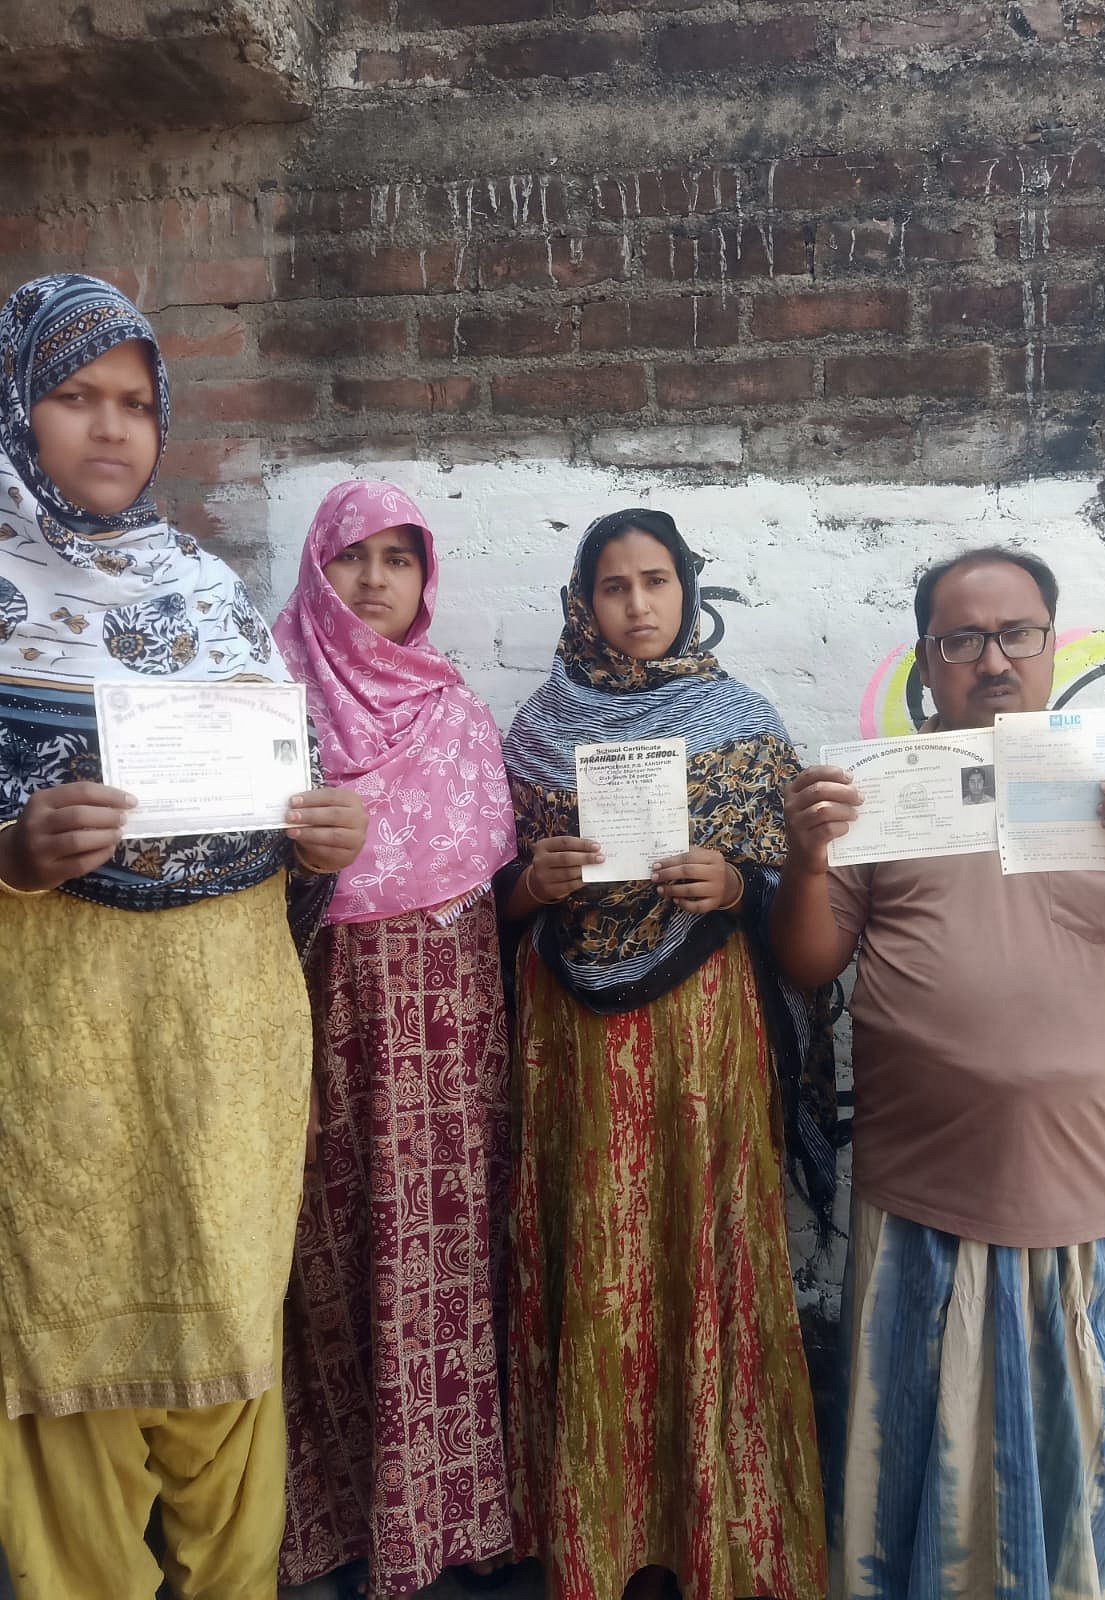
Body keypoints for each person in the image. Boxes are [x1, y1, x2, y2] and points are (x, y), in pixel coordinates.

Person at [0, 273, 367, 1600]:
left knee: (223, 1323)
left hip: (224, 1041)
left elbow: (282, 813)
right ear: (17, 408)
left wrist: (323, 841)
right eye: (73, 395)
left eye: (136, 403)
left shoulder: (211, 595)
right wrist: (13, 853)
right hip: (60, 1050)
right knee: (73, 1340)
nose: (111, 428)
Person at [770, 546, 1105, 1600]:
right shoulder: (886, 793)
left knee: (1066, 1461)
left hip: (1073, 1199)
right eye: (962, 639)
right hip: (919, 1198)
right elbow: (809, 963)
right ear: (928, 660)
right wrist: (810, 858)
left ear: (1051, 644)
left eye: (1015, 634)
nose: (993, 660)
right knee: (913, 1458)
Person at [500, 508, 832, 1600]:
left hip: (701, 1030)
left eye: (657, 581)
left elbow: (791, 883)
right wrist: (534, 884)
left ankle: (710, 1531)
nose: (638, 605)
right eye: (614, 586)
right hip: (573, 1042)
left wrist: (736, 884)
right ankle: (593, 1531)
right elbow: (492, 889)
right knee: (592, 1248)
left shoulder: (743, 722)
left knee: (701, 1247)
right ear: (581, 603)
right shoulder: (538, 729)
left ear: (689, 590)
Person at [273, 480, 518, 1600]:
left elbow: (486, 895)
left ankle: (448, 1520)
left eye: (399, 558)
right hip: (309, 1012)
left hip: (447, 1035)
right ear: (316, 568)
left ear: (427, 579)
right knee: (319, 1259)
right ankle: (329, 1523)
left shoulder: (455, 713)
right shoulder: (264, 700)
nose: (375, 580)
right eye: (351, 556)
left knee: (441, 1260)